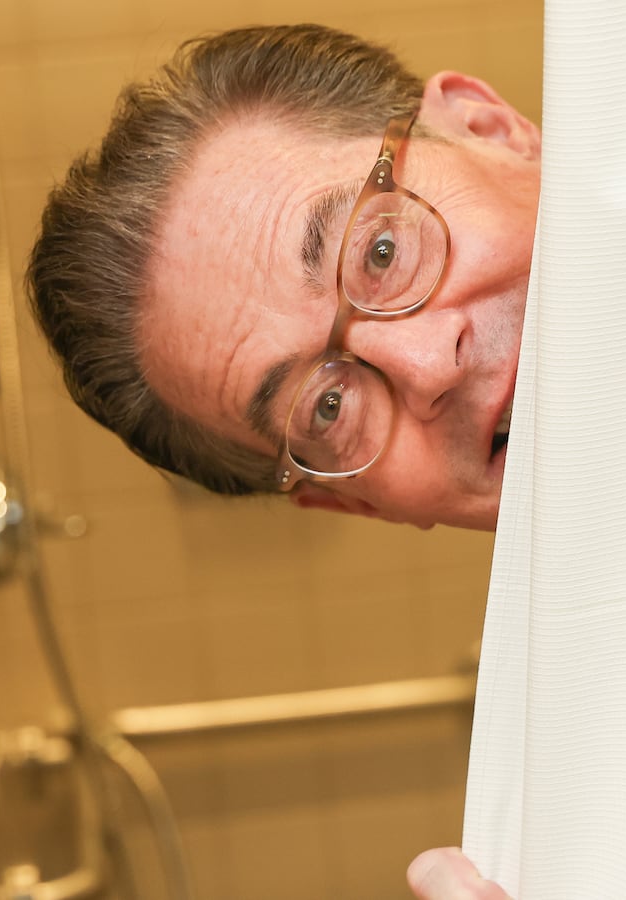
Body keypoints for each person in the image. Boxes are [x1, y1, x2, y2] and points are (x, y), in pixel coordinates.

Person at [27, 22, 537, 899]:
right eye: (326, 407)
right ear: (355, 504)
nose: (425, 367)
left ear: (490, 129)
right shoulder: (578, 784)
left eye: (381, 252)